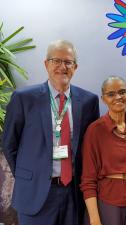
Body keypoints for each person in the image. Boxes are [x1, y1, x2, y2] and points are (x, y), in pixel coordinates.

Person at [2, 40, 100, 225]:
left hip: (73, 194)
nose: (62, 67)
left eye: (68, 62)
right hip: (35, 193)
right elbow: (9, 143)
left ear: (75, 67)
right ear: (46, 64)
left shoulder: (89, 101)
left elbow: (91, 149)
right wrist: (29, 175)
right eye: (56, 60)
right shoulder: (24, 99)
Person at [80, 76, 126, 225]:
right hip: (109, 204)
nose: (118, 97)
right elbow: (88, 180)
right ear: (103, 99)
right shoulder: (94, 131)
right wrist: (94, 219)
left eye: (122, 92)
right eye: (111, 94)